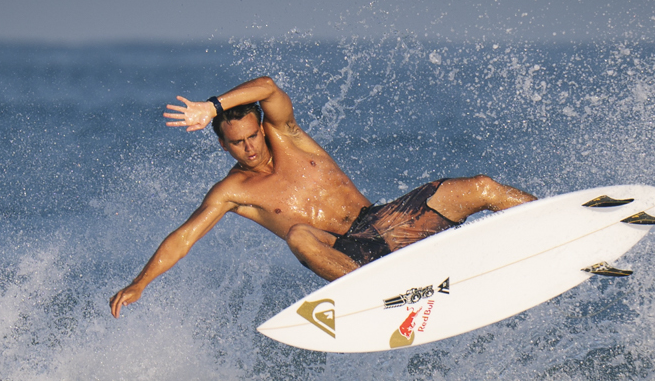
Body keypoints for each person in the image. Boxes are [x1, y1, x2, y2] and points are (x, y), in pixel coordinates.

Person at [108, 76, 534, 317]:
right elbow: (184, 238)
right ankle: (379, 296)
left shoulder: (287, 135)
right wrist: (140, 283)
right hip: (348, 256)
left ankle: (556, 221)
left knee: (482, 187)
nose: (250, 147)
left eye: (253, 135)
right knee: (298, 236)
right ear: (224, 145)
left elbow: (268, 87)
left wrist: (213, 107)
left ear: (261, 129)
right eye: (237, 142)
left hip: (386, 222)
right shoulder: (232, 192)